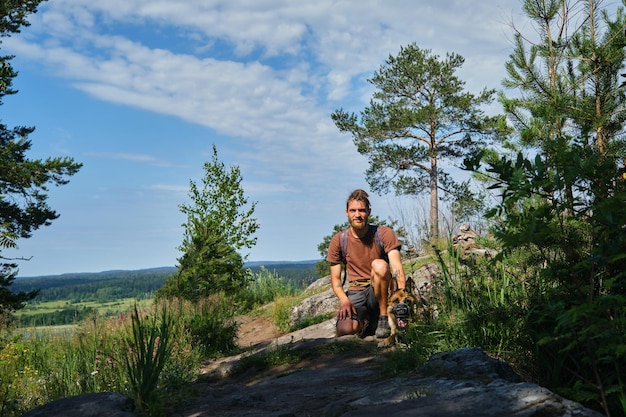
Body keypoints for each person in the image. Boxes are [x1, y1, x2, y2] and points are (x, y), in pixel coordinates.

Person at [326, 189, 407, 338]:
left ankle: (383, 318)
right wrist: (344, 301)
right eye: (353, 210)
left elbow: (397, 269)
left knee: (379, 265)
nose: (357, 215)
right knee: (345, 330)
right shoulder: (339, 240)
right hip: (356, 293)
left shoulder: (383, 234)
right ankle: (368, 321)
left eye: (362, 210)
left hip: (380, 290)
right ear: (347, 212)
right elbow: (336, 280)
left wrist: (401, 299)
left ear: (369, 211)